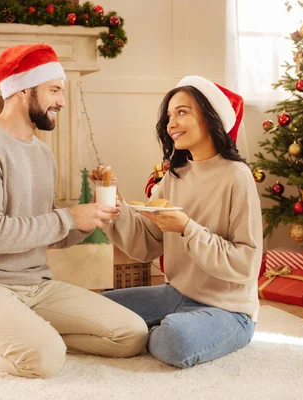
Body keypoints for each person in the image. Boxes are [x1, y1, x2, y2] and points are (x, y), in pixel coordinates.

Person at [0, 44, 148, 379]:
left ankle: (29, 334)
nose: (61, 102)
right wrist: (68, 217)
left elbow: (44, 235)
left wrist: (89, 219)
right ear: (23, 88)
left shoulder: (42, 154)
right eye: (54, 90)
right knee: (44, 360)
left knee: (131, 335)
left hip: (36, 285)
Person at [101, 76, 263, 368]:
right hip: (176, 294)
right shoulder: (174, 177)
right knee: (95, 310)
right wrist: (116, 206)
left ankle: (146, 332)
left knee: (175, 340)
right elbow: (146, 244)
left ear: (210, 116)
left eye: (182, 112)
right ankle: (149, 328)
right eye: (169, 116)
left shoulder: (237, 176)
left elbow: (247, 263)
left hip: (228, 310)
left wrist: (187, 229)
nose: (171, 123)